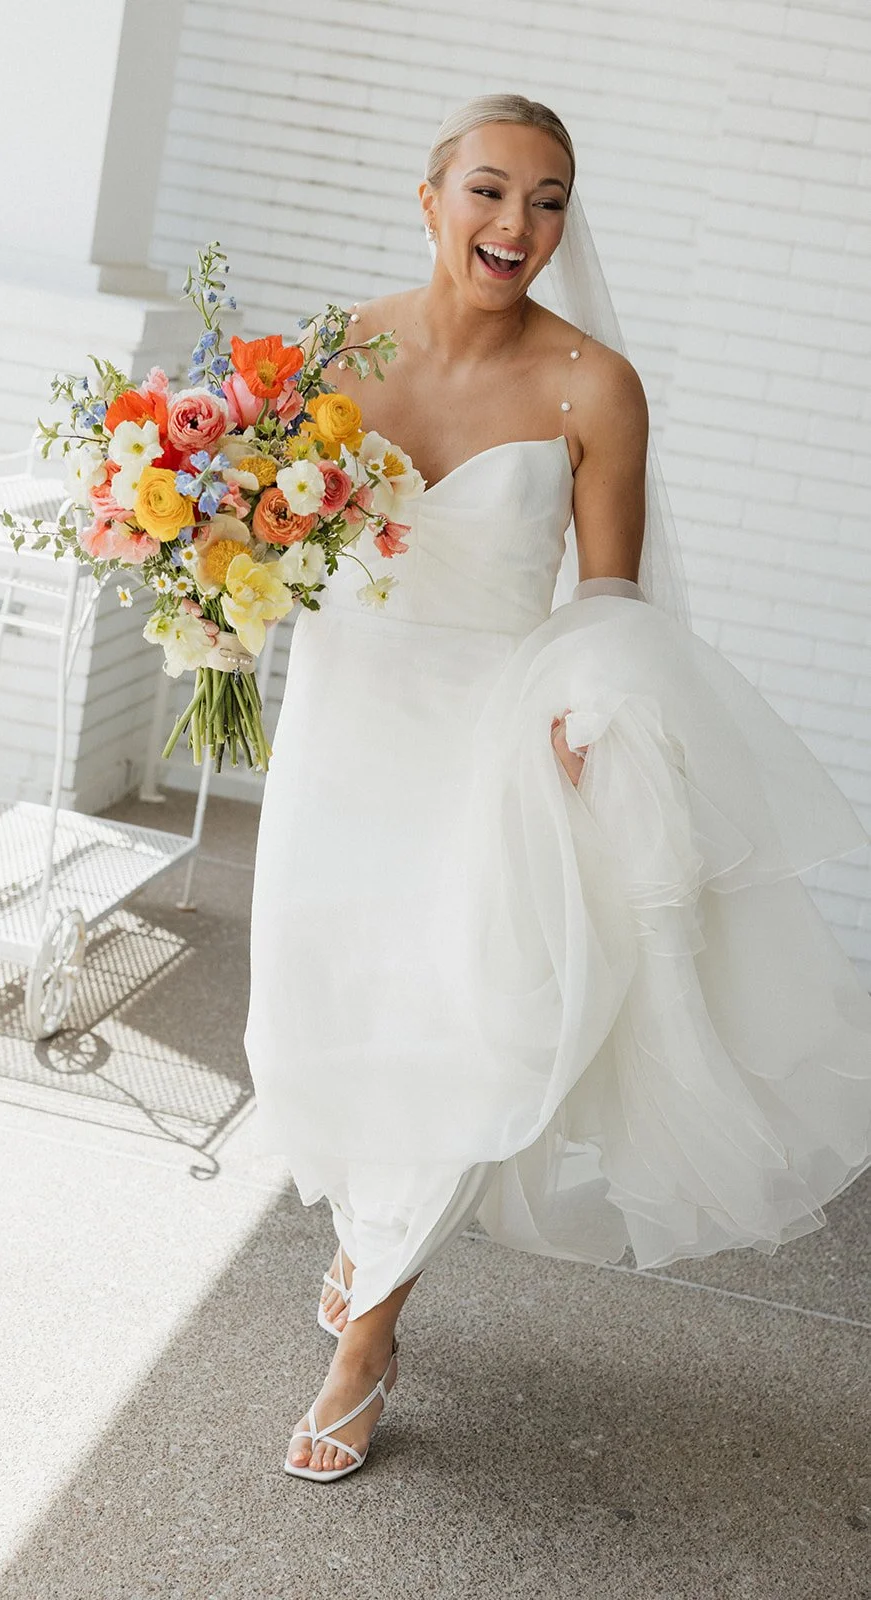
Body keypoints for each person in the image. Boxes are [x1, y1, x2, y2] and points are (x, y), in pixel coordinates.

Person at [242, 94, 871, 1483]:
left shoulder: (595, 384)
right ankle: (368, 1221)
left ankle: (366, 1346)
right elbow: (260, 526)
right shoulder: (334, 347)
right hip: (345, 728)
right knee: (325, 1014)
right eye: (487, 191)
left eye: (546, 200)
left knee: (471, 1028)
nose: (515, 225)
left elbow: (606, 600)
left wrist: (590, 718)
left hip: (491, 746)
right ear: (428, 200)